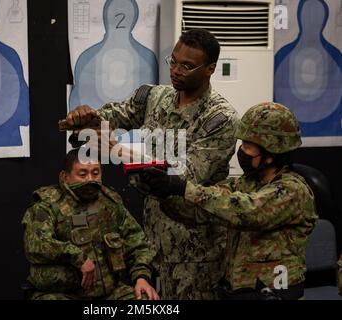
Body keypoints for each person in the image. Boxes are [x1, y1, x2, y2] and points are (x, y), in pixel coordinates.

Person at [65, 29, 238, 299]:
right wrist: (87, 117)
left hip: (195, 252)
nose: (177, 70)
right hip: (153, 242)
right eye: (174, 61)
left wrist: (117, 150)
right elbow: (116, 114)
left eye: (187, 66)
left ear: (210, 69)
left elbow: (181, 175)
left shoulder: (220, 119)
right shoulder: (156, 97)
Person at [142, 102, 318, 300]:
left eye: (248, 147)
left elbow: (247, 211)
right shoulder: (246, 184)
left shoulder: (293, 191)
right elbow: (200, 210)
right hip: (238, 292)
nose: (241, 151)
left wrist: (183, 187)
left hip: (275, 292)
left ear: (270, 154)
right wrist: (162, 191)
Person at [22, 148, 159, 300]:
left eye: (95, 173)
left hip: (110, 293)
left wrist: (141, 278)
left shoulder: (110, 204)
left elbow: (136, 243)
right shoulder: (47, 206)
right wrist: (78, 257)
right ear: (65, 177)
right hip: (63, 294)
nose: (90, 179)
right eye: (82, 174)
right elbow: (37, 245)